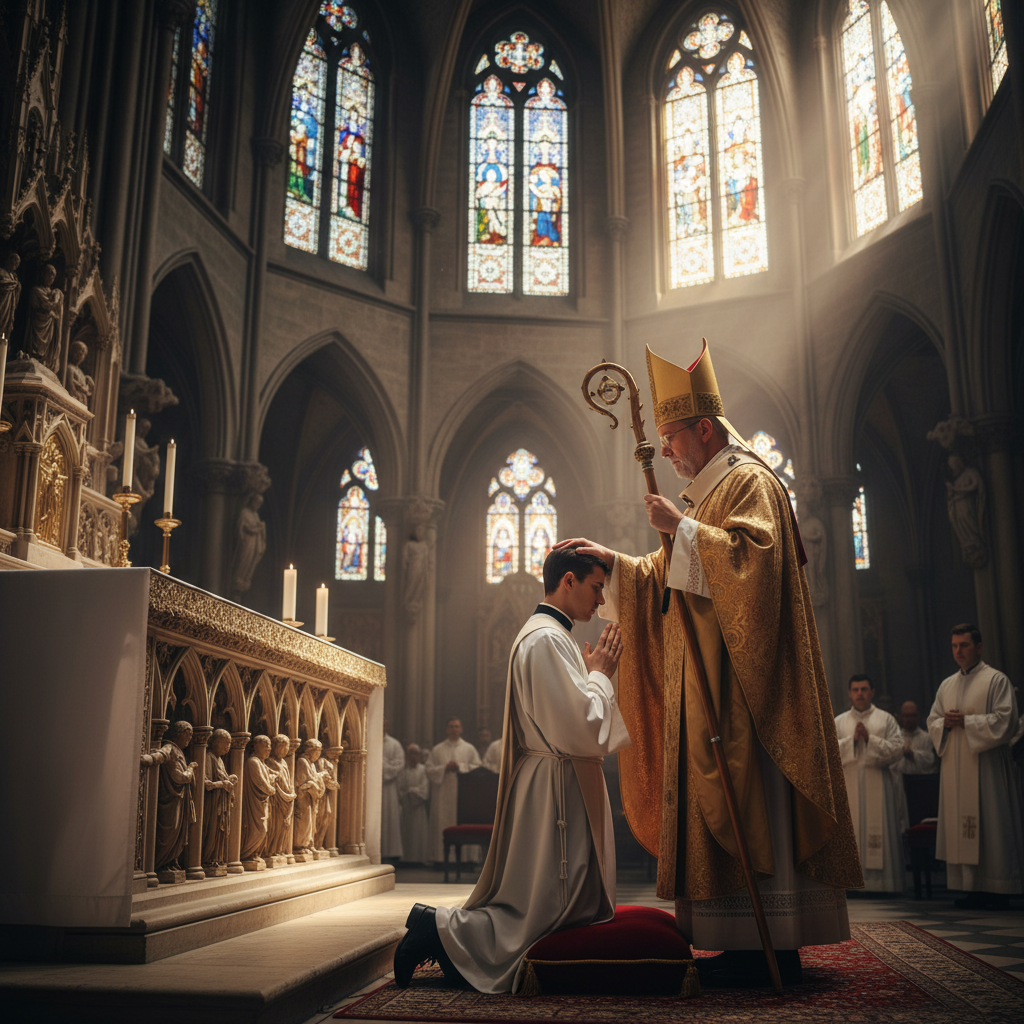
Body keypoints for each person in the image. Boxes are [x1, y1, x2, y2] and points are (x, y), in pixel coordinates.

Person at [557, 339, 861, 987]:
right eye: (660, 439)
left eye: (671, 437)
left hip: (753, 696)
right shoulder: (702, 495)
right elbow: (664, 581)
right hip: (710, 687)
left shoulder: (749, 480)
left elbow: (758, 566)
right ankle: (740, 939)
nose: (664, 450)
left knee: (751, 798)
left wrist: (684, 529)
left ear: (703, 429)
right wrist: (613, 563)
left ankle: (774, 937)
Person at [393, 547, 629, 992]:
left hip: (559, 783)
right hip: (555, 791)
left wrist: (595, 673)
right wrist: (600, 674)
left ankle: (441, 930)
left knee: (554, 907)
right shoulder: (544, 640)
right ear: (569, 581)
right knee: (540, 913)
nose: (601, 601)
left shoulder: (553, 637)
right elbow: (579, 727)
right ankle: (439, 930)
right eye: (597, 588)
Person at [926, 624, 1024, 909]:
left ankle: (997, 887)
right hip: (956, 766)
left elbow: (1006, 721)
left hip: (988, 768)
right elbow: (932, 721)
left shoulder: (996, 680)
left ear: (979, 647)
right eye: (955, 646)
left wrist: (967, 722)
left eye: (964, 645)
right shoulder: (947, 685)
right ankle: (970, 886)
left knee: (991, 822)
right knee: (964, 824)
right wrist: (943, 723)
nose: (958, 651)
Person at [835, 676, 904, 892]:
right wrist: (852, 741)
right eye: (855, 690)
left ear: (872, 692)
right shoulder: (839, 721)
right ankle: (851, 883)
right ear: (849, 693)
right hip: (849, 783)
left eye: (864, 689)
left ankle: (882, 884)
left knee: (878, 828)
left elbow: (898, 749)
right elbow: (828, 752)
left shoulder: (886, 719)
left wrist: (870, 740)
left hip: (879, 784)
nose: (860, 694)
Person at [425, 718, 480, 865]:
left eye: (456, 726)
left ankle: (466, 859)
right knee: (442, 821)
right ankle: (441, 859)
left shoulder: (469, 748)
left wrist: (460, 767)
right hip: (442, 792)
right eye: (451, 726)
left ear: (461, 729)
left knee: (461, 821)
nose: (454, 729)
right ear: (447, 729)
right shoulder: (437, 749)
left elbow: (478, 768)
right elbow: (429, 770)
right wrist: (444, 768)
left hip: (463, 795)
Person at [398, 743, 430, 864]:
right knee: (407, 833)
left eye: (416, 753)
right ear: (407, 755)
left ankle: (420, 859)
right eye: (411, 753)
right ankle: (406, 859)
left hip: (419, 807)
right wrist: (406, 795)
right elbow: (399, 789)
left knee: (419, 833)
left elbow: (425, 789)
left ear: (420, 755)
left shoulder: (423, 770)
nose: (413, 756)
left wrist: (414, 793)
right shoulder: (403, 771)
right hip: (406, 807)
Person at [381, 721, 405, 861]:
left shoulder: (394, 744)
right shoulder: (368, 739)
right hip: (370, 786)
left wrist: (382, 768)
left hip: (389, 787)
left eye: (384, 724)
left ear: (387, 726)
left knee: (390, 818)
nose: (382, 726)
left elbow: (399, 764)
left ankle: (390, 855)